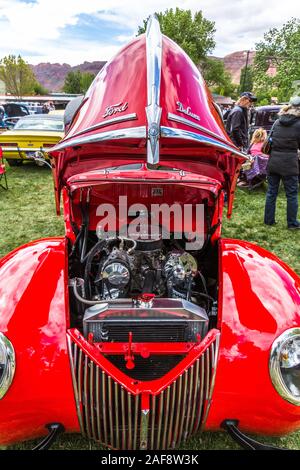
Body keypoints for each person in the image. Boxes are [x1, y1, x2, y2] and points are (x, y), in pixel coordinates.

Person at [264, 96, 300, 229]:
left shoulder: (277, 122)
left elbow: (269, 140)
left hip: (274, 161)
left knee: (271, 192)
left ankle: (268, 220)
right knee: (291, 194)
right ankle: (292, 223)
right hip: (290, 163)